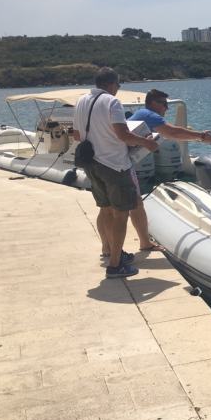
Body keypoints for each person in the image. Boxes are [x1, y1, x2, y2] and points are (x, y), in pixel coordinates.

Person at [74, 67, 158, 279]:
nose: (118, 88)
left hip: (92, 164)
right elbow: (123, 135)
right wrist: (146, 142)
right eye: (118, 85)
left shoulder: (81, 101)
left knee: (106, 209)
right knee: (121, 214)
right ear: (111, 84)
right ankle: (115, 265)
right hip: (114, 165)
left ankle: (113, 251)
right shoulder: (112, 102)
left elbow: (76, 135)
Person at [124, 89, 211, 252]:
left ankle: (113, 247)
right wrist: (201, 136)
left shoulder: (142, 115)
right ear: (152, 103)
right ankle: (139, 245)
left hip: (123, 162)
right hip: (123, 165)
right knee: (132, 206)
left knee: (119, 207)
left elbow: (172, 134)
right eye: (163, 104)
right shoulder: (149, 115)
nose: (166, 108)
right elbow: (173, 132)